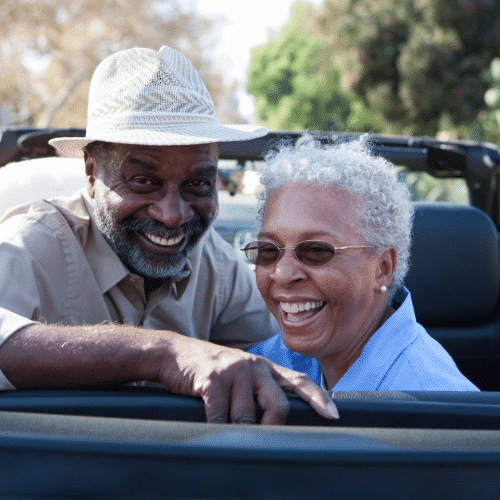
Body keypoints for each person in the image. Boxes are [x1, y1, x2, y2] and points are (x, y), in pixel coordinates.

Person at [0, 46, 339, 424]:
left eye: (197, 183)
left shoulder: (214, 265)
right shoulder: (30, 246)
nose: (173, 215)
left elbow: (284, 354)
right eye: (144, 181)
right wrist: (164, 354)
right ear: (92, 173)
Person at [247, 136, 479, 391]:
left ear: (383, 269)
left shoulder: (433, 405)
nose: (282, 273)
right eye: (268, 250)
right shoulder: (271, 362)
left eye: (316, 250)